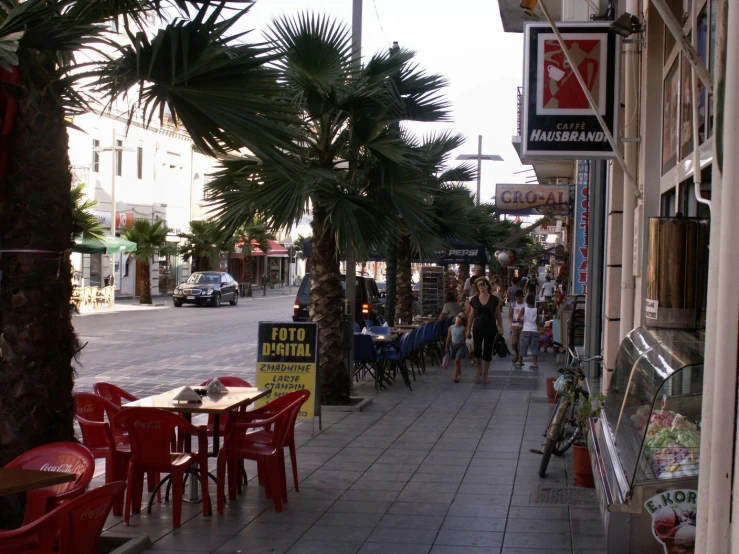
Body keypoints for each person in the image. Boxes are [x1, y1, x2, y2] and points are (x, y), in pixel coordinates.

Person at [465, 277, 504, 383]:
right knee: (477, 350)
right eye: (479, 285)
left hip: (490, 328)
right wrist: (468, 329)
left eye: (483, 284)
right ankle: (479, 370)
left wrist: (500, 327)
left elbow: (498, 315)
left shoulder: (494, 299)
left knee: (487, 351)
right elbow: (471, 315)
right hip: (477, 328)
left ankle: (486, 373)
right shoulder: (474, 300)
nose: (481, 286)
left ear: (487, 285)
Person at [517, 293, 539, 369]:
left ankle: (520, 362)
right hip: (535, 330)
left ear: (526, 301)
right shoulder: (536, 310)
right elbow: (538, 321)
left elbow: (518, 318)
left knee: (523, 346)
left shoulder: (523, 309)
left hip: (526, 330)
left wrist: (523, 323)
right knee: (534, 347)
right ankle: (535, 364)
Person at [445, 313, 468, 383]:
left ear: (464, 322)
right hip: (453, 346)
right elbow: (448, 338)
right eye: (459, 317)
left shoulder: (463, 328)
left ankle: (455, 376)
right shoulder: (451, 328)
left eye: (462, 319)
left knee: (457, 360)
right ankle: (460, 373)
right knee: (457, 361)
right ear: (455, 317)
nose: (460, 319)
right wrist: (446, 347)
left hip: (461, 346)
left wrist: (468, 336)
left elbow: (467, 336)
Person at [509, 289, 525, 366]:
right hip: (514, 326)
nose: (518, 300)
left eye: (519, 298)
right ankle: (517, 353)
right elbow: (510, 314)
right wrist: (512, 320)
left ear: (522, 297)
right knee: (514, 343)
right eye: (517, 298)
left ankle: (520, 359)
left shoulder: (525, 305)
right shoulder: (513, 304)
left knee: (522, 343)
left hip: (523, 326)